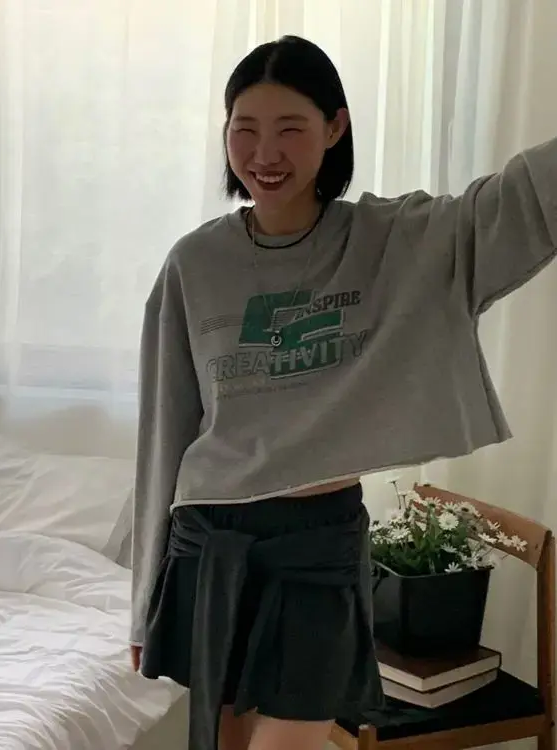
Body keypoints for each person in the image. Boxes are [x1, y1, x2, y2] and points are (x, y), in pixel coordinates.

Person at [129, 35, 557, 750]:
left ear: (335, 127)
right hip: (210, 539)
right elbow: (163, 433)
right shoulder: (194, 263)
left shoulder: (396, 242)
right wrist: (143, 599)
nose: (264, 153)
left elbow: (516, 202)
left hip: (318, 544)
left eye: (290, 128)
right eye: (245, 129)